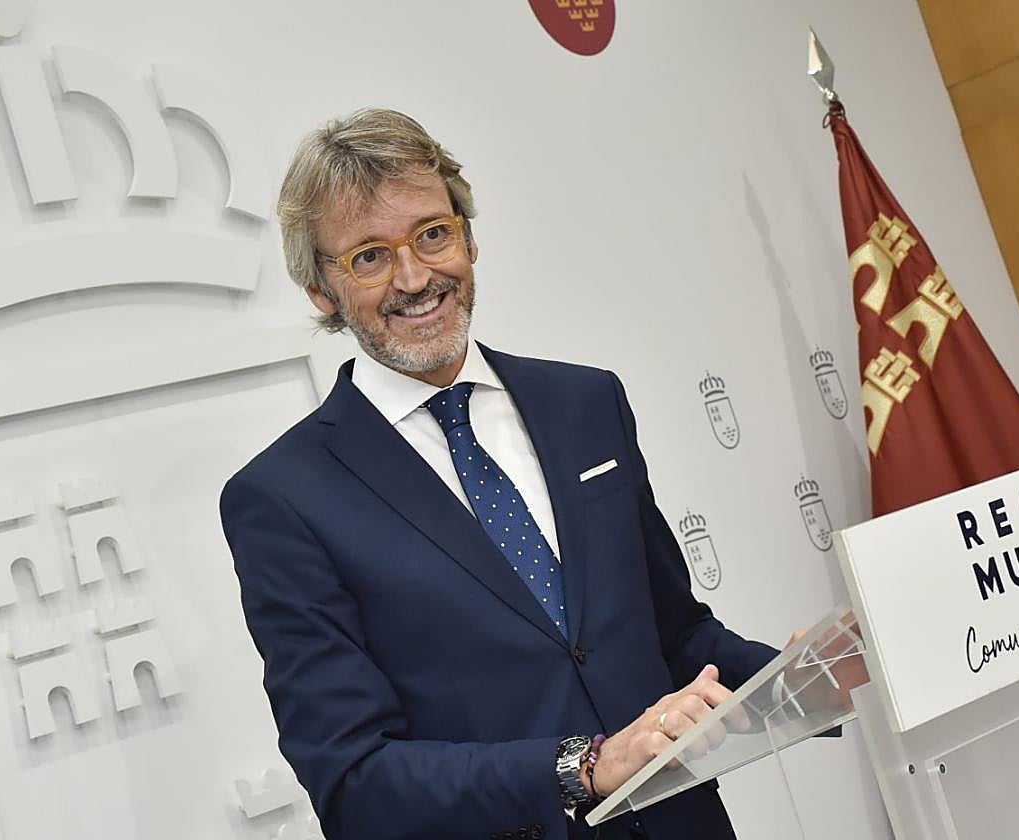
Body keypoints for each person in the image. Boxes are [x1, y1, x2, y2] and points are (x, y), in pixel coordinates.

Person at [220, 108, 787, 840]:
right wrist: (583, 767)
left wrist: (810, 672)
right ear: (320, 290)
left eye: (432, 234)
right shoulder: (285, 498)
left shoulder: (587, 403)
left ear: (468, 235)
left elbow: (671, 634)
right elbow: (355, 780)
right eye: (369, 257)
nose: (415, 277)